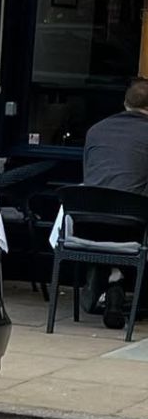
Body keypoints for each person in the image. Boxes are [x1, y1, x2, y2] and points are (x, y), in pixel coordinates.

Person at [82, 79, 148, 328]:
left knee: (114, 215)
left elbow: (90, 175)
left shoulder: (96, 130)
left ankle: (114, 279)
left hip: (87, 222)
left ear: (124, 103)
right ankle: (119, 284)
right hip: (132, 224)